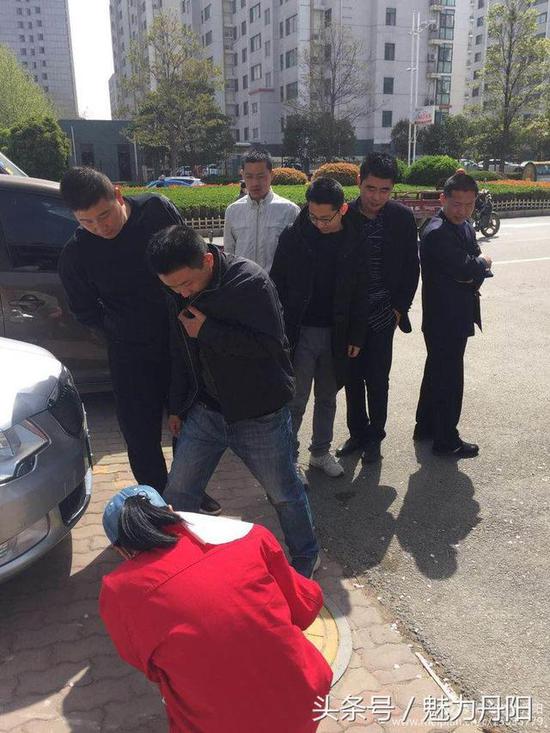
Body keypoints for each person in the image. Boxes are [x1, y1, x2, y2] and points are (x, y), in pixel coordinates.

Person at [146, 225, 320, 578]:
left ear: (208, 260)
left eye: (187, 284)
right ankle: (177, 561)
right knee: (179, 491)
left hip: (260, 414)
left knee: (283, 493)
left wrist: (208, 331)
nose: (182, 293)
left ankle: (306, 554)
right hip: (207, 411)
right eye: (173, 288)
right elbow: (180, 351)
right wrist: (177, 406)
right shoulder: (177, 289)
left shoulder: (250, 283)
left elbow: (272, 348)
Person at [100, 485, 332, 733]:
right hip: (306, 697)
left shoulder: (117, 591)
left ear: (119, 549)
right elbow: (305, 606)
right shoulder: (250, 535)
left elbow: (149, 667)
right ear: (171, 511)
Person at [58, 167, 219, 514]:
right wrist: (120, 331)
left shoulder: (156, 211)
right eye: (87, 221)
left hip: (180, 341)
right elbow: (84, 310)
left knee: (188, 422)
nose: (100, 227)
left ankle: (188, 488)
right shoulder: (77, 253)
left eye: (105, 214)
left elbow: (190, 258)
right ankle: (159, 503)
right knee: (140, 434)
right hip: (129, 353)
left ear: (117, 194)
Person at [270, 177, 369, 478]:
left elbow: (362, 290)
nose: (319, 224)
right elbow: (276, 285)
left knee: (327, 396)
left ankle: (320, 452)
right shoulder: (294, 236)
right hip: (300, 332)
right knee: (296, 400)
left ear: (343, 209)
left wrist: (357, 334)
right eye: (313, 216)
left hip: (337, 333)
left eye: (326, 218)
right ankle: (289, 458)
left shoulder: (356, 238)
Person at [336, 153, 419, 464]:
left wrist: (399, 309)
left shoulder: (401, 217)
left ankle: (375, 436)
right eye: (371, 188)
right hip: (350, 315)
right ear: (359, 182)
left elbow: (412, 268)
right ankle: (357, 433)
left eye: (385, 190)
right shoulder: (344, 215)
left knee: (378, 378)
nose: (376, 197)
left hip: (384, 313)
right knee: (352, 376)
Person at [414, 171, 492, 457]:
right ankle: (447, 439)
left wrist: (474, 267)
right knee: (449, 378)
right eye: (457, 204)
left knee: (437, 371)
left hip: (457, 312)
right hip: (443, 318)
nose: (463, 211)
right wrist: (481, 264)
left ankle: (426, 426)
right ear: (443, 199)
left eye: (469, 204)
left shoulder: (464, 225)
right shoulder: (437, 232)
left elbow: (471, 263)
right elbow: (467, 267)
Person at [224, 148, 300, 271]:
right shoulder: (233, 211)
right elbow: (228, 255)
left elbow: (296, 255)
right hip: (243, 281)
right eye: (249, 176)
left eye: (261, 176)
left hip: (276, 281)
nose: (255, 183)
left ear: (271, 175)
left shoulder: (289, 210)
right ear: (242, 175)